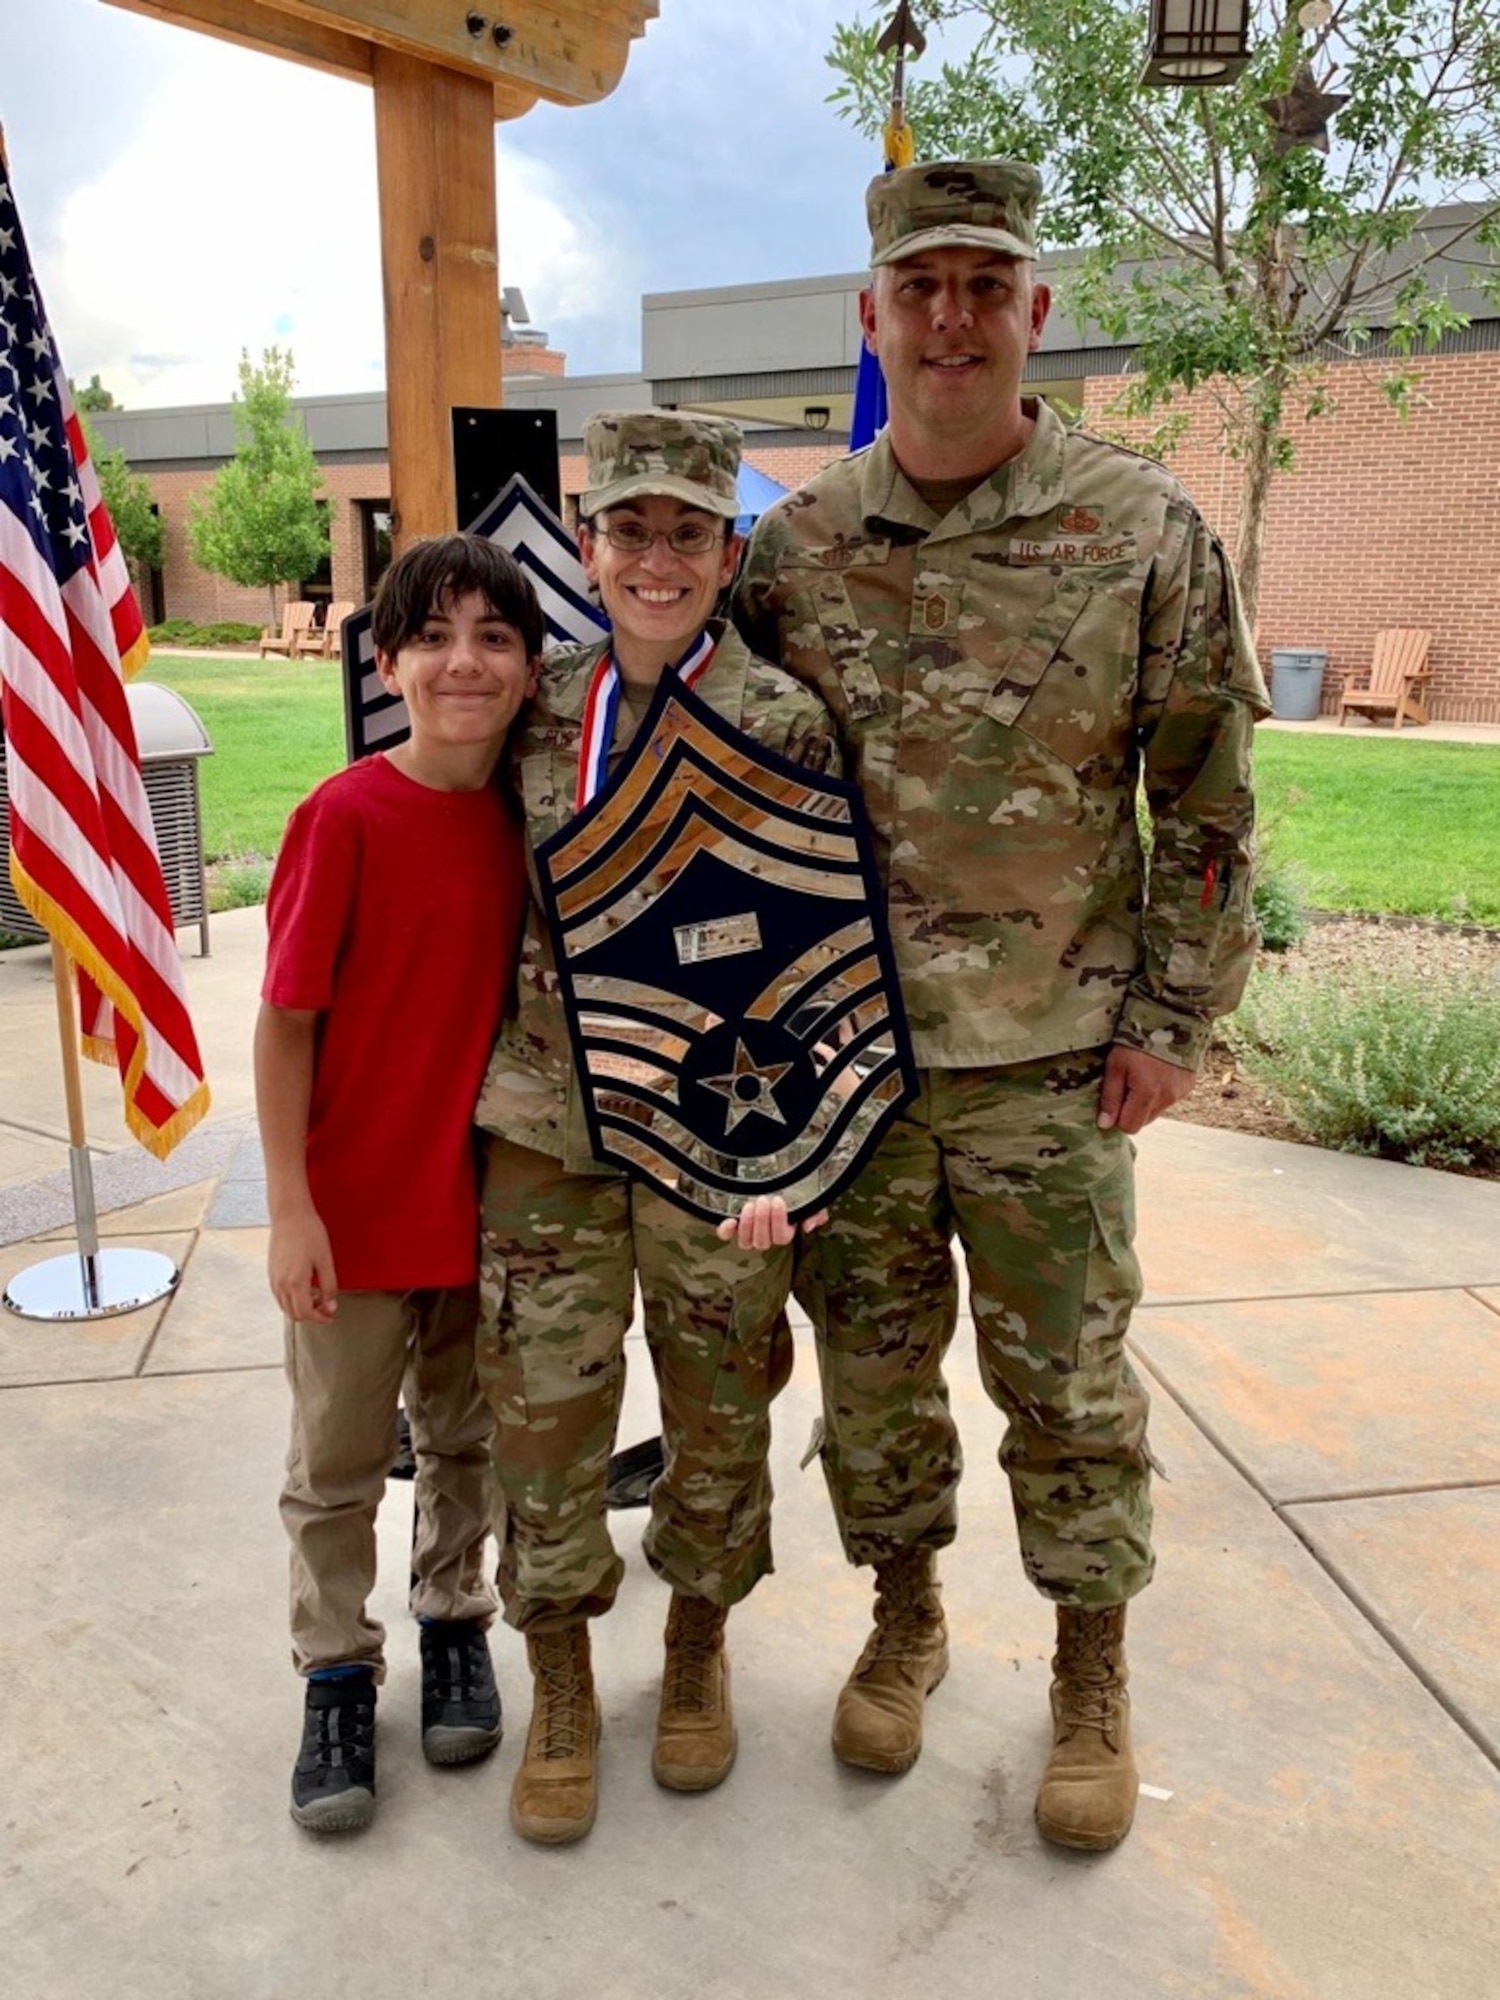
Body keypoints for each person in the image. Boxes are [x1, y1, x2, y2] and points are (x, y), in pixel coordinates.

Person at [735, 161, 1270, 1853]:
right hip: (854, 1074)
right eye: (922, 287)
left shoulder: (1139, 529)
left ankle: (1091, 1673)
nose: (953, 318)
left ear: (1035, 313)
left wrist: (1172, 1021)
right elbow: (725, 809)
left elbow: (1207, 803)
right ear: (873, 317)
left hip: (1053, 1064)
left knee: (1072, 1389)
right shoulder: (793, 554)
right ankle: (907, 1617)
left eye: (987, 285)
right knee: (878, 1382)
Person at [473, 410, 839, 1846]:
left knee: (718, 1407)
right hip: (546, 1127)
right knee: (544, 1416)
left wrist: (789, 1158)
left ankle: (696, 1644)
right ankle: (560, 1676)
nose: (658, 556)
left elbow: (817, 955)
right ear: (588, 544)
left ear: (729, 548)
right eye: (629, 528)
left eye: (688, 531)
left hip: (717, 1142)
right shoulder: (537, 709)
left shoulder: (788, 715)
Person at [255, 534, 540, 1833]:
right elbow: (288, 1024)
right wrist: (292, 1207)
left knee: (467, 1439)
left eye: (494, 635)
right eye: (432, 636)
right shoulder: (345, 817)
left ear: (534, 669)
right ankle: (334, 1670)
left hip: (489, 1209)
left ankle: (453, 1619)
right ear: (386, 664)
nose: (463, 661)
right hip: (359, 1211)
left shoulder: (540, 822)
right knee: (339, 1458)